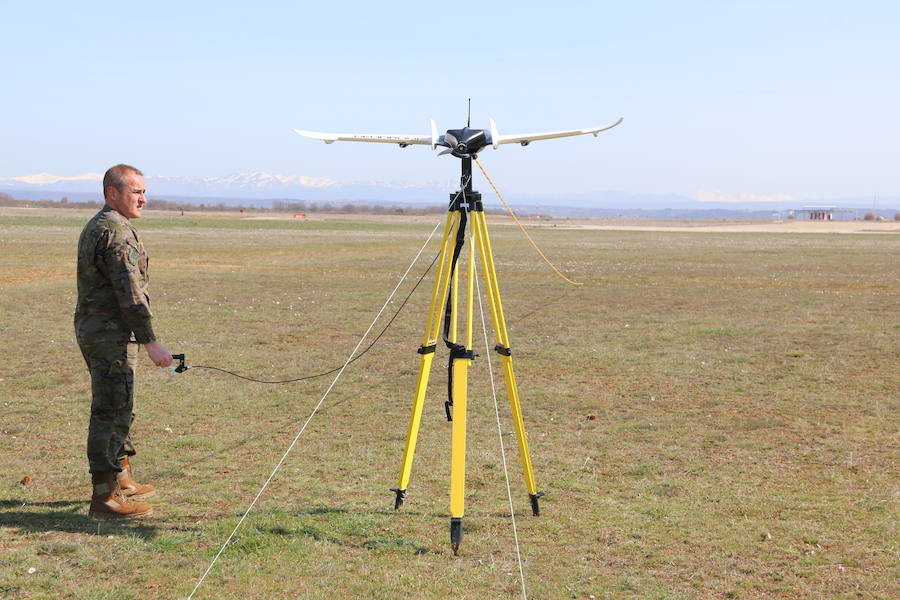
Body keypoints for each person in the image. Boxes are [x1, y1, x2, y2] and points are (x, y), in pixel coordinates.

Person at [75, 164, 173, 519]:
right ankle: (104, 496)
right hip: (108, 334)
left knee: (120, 403)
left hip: (104, 330)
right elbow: (131, 295)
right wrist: (151, 342)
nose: (143, 198)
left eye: (144, 191)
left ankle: (122, 478)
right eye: (136, 192)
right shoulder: (115, 231)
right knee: (111, 408)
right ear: (112, 194)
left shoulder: (105, 224)